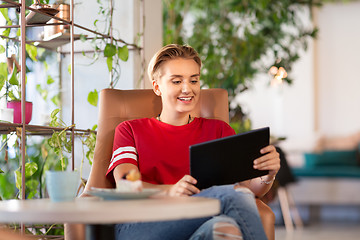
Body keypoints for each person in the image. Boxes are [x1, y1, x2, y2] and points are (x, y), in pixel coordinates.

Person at [106, 44, 280, 240]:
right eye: (176, 81)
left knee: (226, 230)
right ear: (157, 86)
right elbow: (126, 186)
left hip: (199, 222)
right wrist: (170, 191)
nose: (187, 88)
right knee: (234, 196)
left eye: (194, 80)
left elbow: (249, 190)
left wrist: (268, 173)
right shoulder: (130, 130)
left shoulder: (218, 130)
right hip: (142, 224)